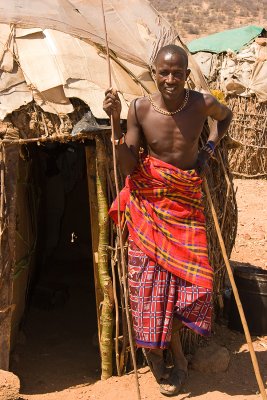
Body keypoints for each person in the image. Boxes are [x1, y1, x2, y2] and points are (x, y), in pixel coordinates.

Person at [103, 44, 233, 396]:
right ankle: (163, 359)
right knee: (149, 288)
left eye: (178, 72)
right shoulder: (139, 109)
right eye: (164, 72)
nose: (171, 79)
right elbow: (128, 164)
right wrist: (115, 121)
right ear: (154, 73)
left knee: (194, 287)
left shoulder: (202, 103)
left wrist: (208, 149)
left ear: (187, 75)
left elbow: (227, 117)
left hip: (185, 205)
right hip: (149, 205)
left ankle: (175, 350)